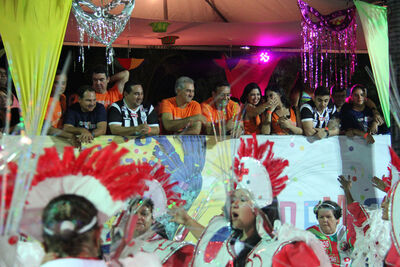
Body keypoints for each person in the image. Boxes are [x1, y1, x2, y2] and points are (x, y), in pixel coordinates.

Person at [170, 135, 330, 267]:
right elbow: (210, 241)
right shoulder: (228, 235)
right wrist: (187, 220)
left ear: (259, 207)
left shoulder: (284, 248)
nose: (234, 203)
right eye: (233, 198)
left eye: (242, 199)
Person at [110, 198, 194, 266]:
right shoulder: (119, 248)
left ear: (153, 219)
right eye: (134, 214)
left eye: (144, 213)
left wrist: (188, 221)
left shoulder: (175, 250)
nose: (138, 217)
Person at [45, 70, 79, 146]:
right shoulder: (47, 102)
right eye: (57, 83)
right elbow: (47, 129)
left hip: (61, 139)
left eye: (63, 83)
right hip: (48, 142)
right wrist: (70, 136)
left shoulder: (63, 98)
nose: (61, 86)